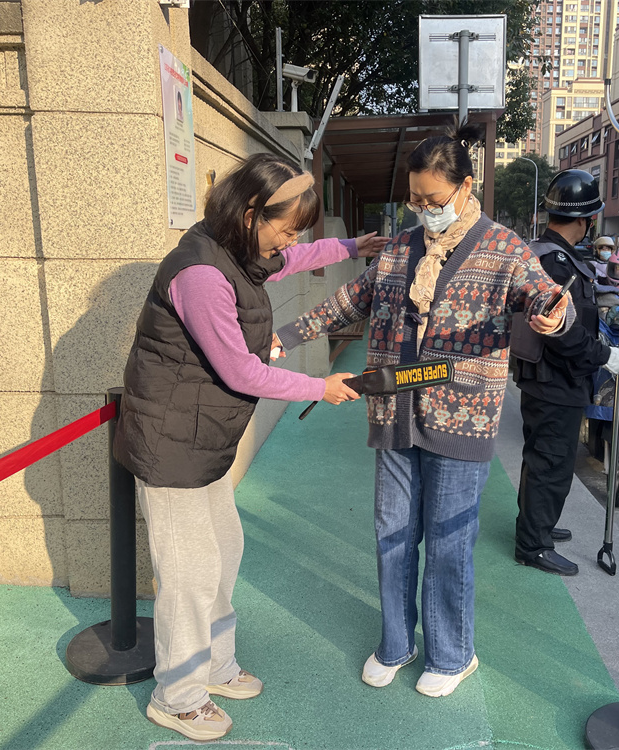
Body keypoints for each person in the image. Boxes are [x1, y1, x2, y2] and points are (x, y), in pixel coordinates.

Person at [274, 121, 572, 698]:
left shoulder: (503, 248)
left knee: (448, 541)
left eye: (434, 200)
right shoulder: (399, 249)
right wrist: (284, 337)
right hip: (394, 413)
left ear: (465, 188)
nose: (424, 210)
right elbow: (349, 301)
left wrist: (552, 314)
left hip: (462, 416)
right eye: (415, 199)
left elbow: (543, 294)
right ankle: (396, 642)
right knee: (392, 531)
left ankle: (453, 654)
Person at [111, 153, 387, 742]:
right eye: (285, 227)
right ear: (250, 213)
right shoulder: (201, 274)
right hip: (170, 444)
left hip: (202, 437)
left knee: (224, 550)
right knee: (188, 573)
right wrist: (319, 386)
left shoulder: (238, 251)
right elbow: (240, 370)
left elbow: (293, 260)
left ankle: (214, 665)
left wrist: (351, 246)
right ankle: (177, 697)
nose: (290, 242)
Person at [511, 170, 619, 576]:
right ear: (586, 220)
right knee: (551, 462)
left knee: (541, 458)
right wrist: (604, 355)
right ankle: (532, 544)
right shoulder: (555, 262)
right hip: (555, 379)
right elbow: (563, 332)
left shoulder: (545, 253)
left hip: (546, 378)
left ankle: (536, 523)